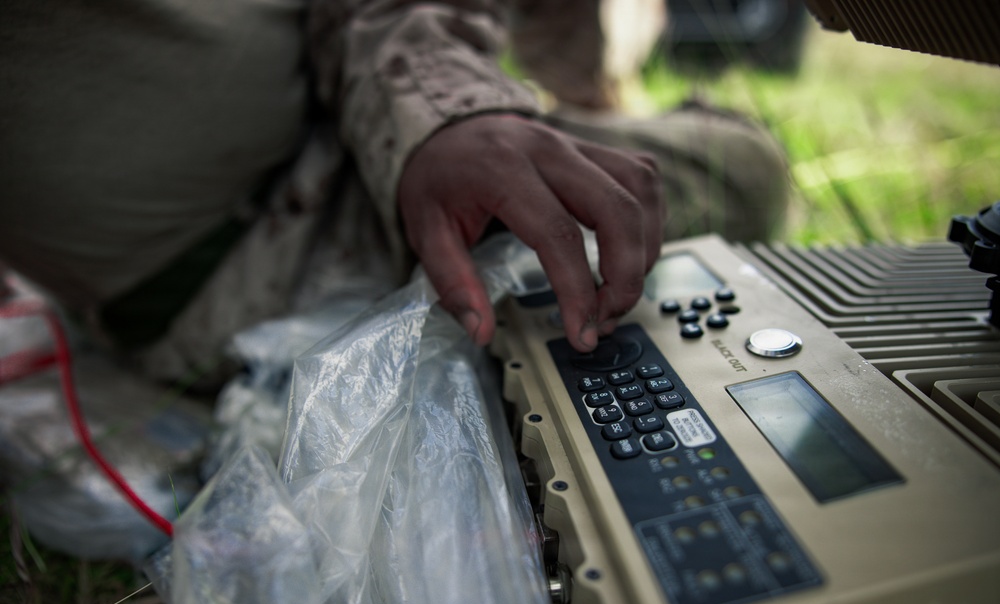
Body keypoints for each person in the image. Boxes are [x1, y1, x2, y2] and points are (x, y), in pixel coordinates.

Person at [0, 0, 788, 387]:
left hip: (348, 104)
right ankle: (567, 110)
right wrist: (439, 114)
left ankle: (567, 105)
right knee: (742, 169)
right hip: (252, 250)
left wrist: (442, 109)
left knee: (685, 175)